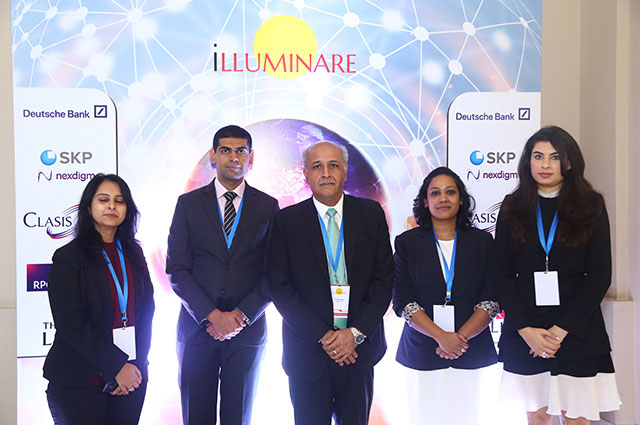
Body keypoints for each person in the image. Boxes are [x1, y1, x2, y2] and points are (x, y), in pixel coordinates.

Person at [494, 126, 621, 424]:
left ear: (569, 162)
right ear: (528, 161)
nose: (545, 164)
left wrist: (560, 331)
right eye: (538, 156)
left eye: (554, 157)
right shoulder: (512, 206)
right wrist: (526, 330)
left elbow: (600, 275)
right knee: (537, 415)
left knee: (575, 416)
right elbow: (501, 274)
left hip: (577, 327)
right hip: (526, 327)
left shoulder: (591, 205)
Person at [267, 140, 394, 425]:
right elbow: (280, 288)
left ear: (345, 171)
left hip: (358, 351)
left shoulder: (370, 214)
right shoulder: (286, 221)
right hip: (308, 352)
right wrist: (325, 337)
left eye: (333, 165)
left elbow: (383, 279)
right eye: (317, 166)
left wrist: (354, 334)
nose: (326, 173)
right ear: (306, 174)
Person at [166, 124, 279, 425]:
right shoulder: (188, 204)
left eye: (241, 151)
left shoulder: (268, 207)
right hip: (196, 329)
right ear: (213, 156)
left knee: (237, 418)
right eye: (225, 150)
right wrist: (211, 315)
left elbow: (275, 271)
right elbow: (177, 268)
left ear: (251, 157)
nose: (234, 157)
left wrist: (240, 316)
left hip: (247, 331)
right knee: (196, 416)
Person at [44, 174, 155, 425]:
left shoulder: (134, 253)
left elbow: (147, 312)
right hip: (79, 383)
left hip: (130, 381)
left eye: (119, 201)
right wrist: (116, 367)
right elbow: (72, 325)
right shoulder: (68, 257)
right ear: (88, 207)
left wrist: (135, 367)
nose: (112, 206)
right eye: (104, 200)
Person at [392, 166, 500, 425]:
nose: (443, 199)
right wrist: (441, 337)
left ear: (461, 199)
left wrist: (459, 340)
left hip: (471, 349)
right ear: (425, 201)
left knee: (468, 418)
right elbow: (402, 299)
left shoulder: (482, 242)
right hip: (422, 349)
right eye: (435, 193)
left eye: (450, 192)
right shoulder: (407, 243)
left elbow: (491, 296)